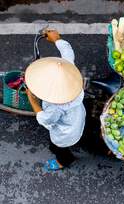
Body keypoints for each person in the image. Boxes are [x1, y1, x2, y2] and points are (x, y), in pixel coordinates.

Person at [25, 30, 86, 171]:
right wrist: (57, 39)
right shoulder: (69, 70)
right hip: (78, 116)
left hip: (65, 134)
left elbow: (45, 119)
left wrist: (32, 99)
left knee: (59, 148)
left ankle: (63, 161)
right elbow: (68, 52)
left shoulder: (55, 106)